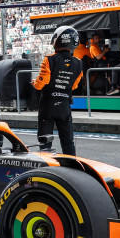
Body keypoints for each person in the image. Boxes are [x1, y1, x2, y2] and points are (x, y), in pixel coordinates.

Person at [32, 26, 84, 156]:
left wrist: (34, 83)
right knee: (68, 143)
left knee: (45, 144)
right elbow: (74, 85)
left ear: (58, 40)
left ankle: (45, 171)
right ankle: (72, 168)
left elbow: (40, 84)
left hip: (48, 106)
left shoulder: (49, 59)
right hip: (64, 107)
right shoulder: (78, 63)